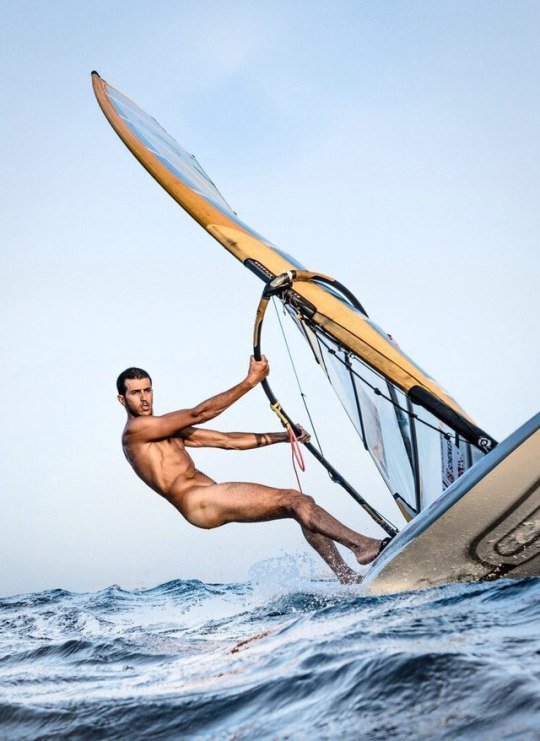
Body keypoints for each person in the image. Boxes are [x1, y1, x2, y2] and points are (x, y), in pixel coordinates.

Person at [116, 357, 386, 583]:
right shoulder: (135, 431)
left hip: (207, 499)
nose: (144, 398)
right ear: (122, 399)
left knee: (301, 504)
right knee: (294, 500)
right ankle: (363, 546)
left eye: (147, 390)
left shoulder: (165, 429)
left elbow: (228, 441)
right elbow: (200, 413)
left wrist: (284, 436)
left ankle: (346, 577)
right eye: (135, 393)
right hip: (198, 501)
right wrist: (250, 381)